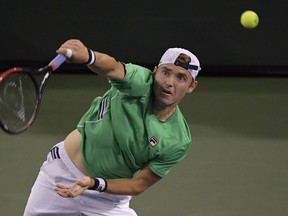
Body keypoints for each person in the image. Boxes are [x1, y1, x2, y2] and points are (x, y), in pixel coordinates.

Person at [24, 39, 201, 216]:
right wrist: (89, 56)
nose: (169, 82)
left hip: (107, 197)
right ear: (155, 72)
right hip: (60, 176)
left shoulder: (178, 139)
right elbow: (112, 67)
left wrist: (95, 183)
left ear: (191, 86)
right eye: (166, 72)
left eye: (181, 77)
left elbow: (137, 184)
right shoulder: (139, 82)